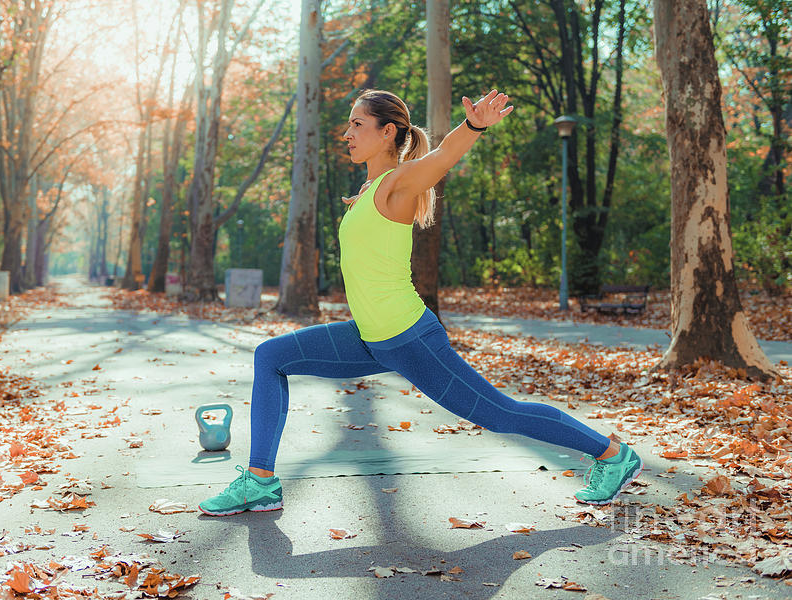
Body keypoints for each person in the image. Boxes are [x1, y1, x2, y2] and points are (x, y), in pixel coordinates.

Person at [198, 88, 643, 516]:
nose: (347, 133)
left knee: (501, 413)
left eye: (357, 123)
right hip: (369, 338)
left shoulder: (398, 183)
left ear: (387, 131)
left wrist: (473, 125)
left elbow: (444, 155)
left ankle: (614, 454)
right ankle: (259, 482)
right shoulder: (370, 191)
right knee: (271, 356)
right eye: (348, 125)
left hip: (409, 338)